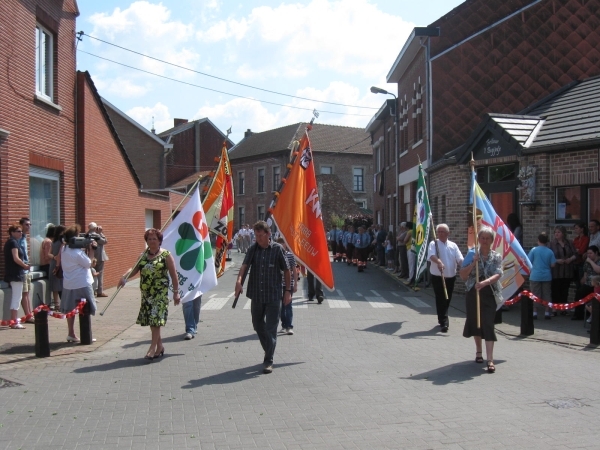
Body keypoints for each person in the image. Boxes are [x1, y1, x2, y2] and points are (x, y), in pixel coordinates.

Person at [235, 221, 291, 374]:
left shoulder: (278, 250)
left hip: (273, 295)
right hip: (257, 294)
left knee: (271, 328)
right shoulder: (253, 249)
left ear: (268, 234)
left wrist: (288, 290)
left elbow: (287, 271)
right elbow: (244, 266)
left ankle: (268, 360)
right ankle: (269, 349)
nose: (258, 239)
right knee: (257, 324)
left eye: (260, 236)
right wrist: (239, 282)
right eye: (256, 236)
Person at [118, 228, 180, 359]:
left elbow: (174, 275)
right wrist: (124, 277)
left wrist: (176, 293)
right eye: (149, 239)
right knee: (152, 321)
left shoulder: (166, 255)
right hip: (147, 294)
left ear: (159, 241)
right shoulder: (143, 256)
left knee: (156, 320)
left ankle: (152, 348)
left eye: (154, 239)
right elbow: (134, 269)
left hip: (160, 294)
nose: (152, 241)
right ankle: (160, 346)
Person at [459, 226, 503, 373]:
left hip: (488, 293)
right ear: (479, 239)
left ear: (492, 240)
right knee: (475, 322)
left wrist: (484, 283)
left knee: (488, 324)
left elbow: (498, 274)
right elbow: (463, 276)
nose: (484, 241)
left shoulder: (496, 256)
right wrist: (473, 263)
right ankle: (479, 351)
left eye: (487, 238)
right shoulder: (472, 254)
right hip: (473, 293)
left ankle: (490, 359)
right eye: (482, 238)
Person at [60, 224, 97, 343]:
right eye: (78, 236)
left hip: (68, 284)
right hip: (82, 283)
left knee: (70, 309)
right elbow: (89, 263)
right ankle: (86, 336)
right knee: (86, 308)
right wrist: (92, 250)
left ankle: (71, 333)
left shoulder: (64, 249)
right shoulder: (77, 253)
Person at [427, 224, 464, 332]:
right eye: (439, 231)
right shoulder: (434, 244)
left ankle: (442, 317)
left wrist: (467, 265)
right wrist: (439, 262)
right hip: (438, 276)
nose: (440, 233)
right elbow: (431, 256)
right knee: (441, 298)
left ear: (448, 233)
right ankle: (444, 321)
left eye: (443, 231)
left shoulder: (453, 245)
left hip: (450, 275)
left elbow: (460, 259)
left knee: (447, 298)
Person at [3, 223, 30, 329]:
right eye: (18, 231)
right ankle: (14, 321)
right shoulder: (13, 243)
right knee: (17, 297)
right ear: (12, 233)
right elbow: (16, 258)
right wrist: (25, 266)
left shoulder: (10, 242)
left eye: (21, 231)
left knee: (17, 296)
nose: (21, 233)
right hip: (16, 274)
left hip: (13, 273)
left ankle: (14, 320)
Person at [549, 225, 577, 314]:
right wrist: (557, 260)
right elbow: (548, 257)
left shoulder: (569, 242)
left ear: (563, 233)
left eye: (559, 232)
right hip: (556, 271)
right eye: (555, 232)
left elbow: (575, 254)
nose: (556, 234)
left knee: (565, 290)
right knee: (556, 289)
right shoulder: (551, 244)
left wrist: (570, 259)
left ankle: (563, 308)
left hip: (567, 270)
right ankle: (555, 308)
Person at [528, 233, 556, 320]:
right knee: (547, 294)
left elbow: (529, 262)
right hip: (547, 276)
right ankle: (547, 312)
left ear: (538, 240)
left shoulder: (534, 250)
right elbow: (553, 265)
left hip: (535, 275)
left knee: (535, 294)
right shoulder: (550, 251)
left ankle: (535, 312)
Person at [573, 246, 600, 320]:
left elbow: (598, 270)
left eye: (591, 253)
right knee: (579, 293)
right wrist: (583, 279)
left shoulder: (597, 261)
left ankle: (592, 315)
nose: (589, 255)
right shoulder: (587, 262)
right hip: (588, 283)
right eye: (588, 253)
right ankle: (578, 315)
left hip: (597, 285)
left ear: (596, 253)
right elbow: (586, 272)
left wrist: (591, 262)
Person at [276, 238, 297, 335]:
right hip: (278, 284)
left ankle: (289, 326)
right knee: (279, 306)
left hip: (288, 284)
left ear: (286, 244)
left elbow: (294, 270)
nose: (281, 244)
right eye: (279, 243)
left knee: (287, 305)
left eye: (282, 242)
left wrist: (295, 283)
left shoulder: (290, 255)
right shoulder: (275, 254)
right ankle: (284, 325)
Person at [18, 218, 34, 323]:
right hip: (22, 269)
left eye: (29, 225)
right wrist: (24, 265)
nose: (28, 227)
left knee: (27, 293)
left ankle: (30, 314)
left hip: (27, 269)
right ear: (21, 225)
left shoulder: (25, 237)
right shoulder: (18, 238)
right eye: (26, 225)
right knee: (24, 293)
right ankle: (28, 316)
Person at [87, 223, 108, 297]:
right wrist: (101, 233)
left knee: (91, 273)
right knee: (100, 274)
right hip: (99, 257)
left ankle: (92, 290)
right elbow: (105, 241)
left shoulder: (88, 234)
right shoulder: (96, 235)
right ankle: (99, 291)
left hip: (90, 257)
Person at [48, 225, 66, 311]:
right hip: (60, 265)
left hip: (53, 263)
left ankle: (56, 304)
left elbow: (49, 254)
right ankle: (63, 303)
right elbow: (60, 254)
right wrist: (56, 258)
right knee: (62, 284)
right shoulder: (63, 241)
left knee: (55, 286)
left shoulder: (53, 241)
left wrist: (53, 257)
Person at [572, 222, 589, 289]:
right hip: (575, 262)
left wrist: (577, 250)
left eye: (577, 228)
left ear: (582, 229)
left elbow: (582, 250)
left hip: (581, 262)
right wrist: (576, 250)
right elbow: (572, 249)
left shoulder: (586, 238)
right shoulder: (576, 239)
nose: (575, 230)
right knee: (576, 281)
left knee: (581, 281)